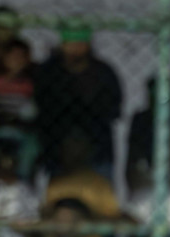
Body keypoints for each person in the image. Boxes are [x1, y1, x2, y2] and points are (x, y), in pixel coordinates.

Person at [35, 30, 123, 173]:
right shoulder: (49, 71)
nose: (75, 49)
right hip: (58, 140)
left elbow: (114, 107)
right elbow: (43, 105)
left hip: (97, 141)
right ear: (63, 45)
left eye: (80, 44)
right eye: (71, 44)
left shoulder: (103, 72)